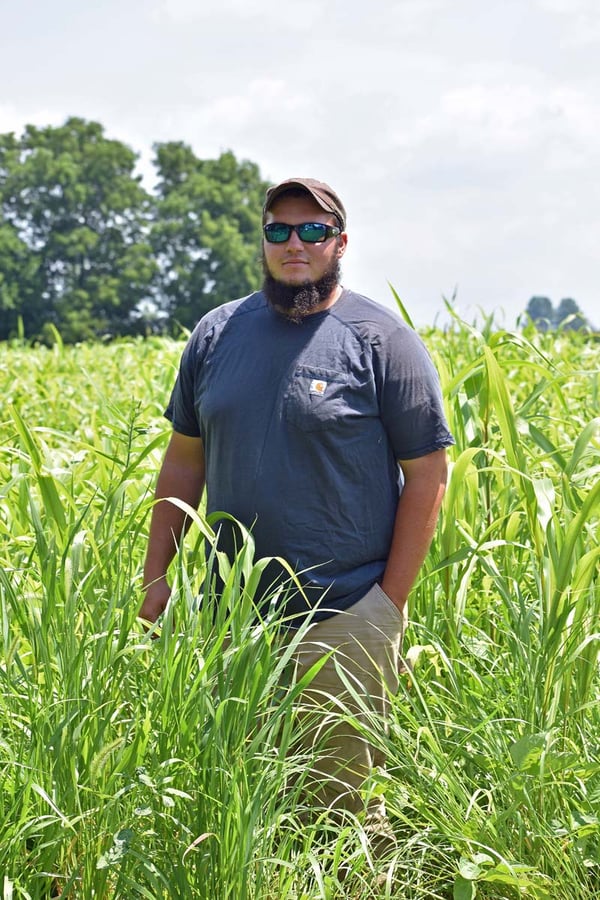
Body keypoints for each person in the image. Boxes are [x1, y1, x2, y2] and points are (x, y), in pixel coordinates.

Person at [139, 176, 454, 823]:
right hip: (231, 624)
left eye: (312, 230)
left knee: (344, 820)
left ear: (341, 242)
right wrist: (156, 579)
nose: (294, 243)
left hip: (342, 617)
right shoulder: (217, 335)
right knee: (242, 811)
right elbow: (184, 460)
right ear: (262, 241)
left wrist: (386, 604)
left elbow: (428, 472)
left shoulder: (381, 342)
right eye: (278, 229)